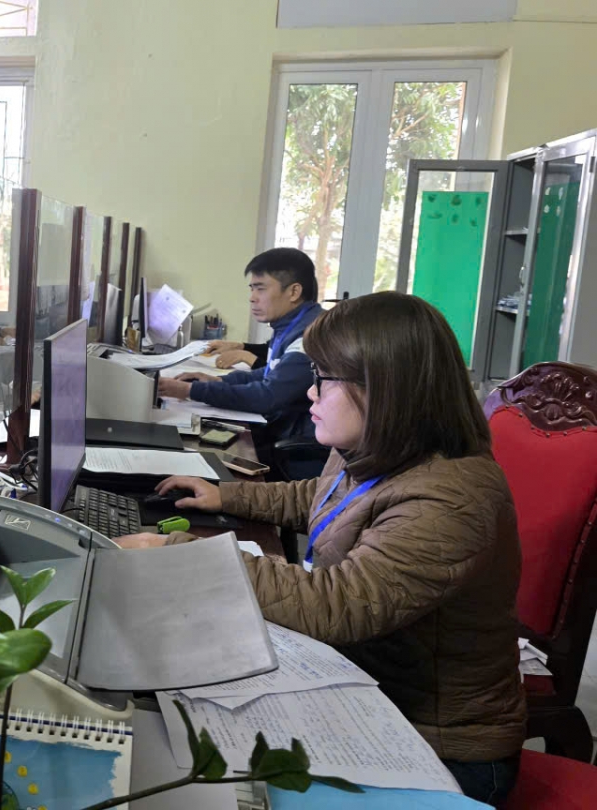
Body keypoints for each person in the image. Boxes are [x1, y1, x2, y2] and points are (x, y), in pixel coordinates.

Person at [117, 292, 526, 805]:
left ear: (385, 388)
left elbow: (337, 605)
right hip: (366, 688)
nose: (310, 393)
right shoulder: (377, 447)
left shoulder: (451, 499)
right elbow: (325, 495)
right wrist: (227, 495)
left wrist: (177, 554)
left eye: (324, 379)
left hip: (439, 745)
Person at [157, 248, 323, 441]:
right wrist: (218, 381)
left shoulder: (312, 336)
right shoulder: (291, 324)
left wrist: (189, 391)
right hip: (281, 426)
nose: (252, 297)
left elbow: (268, 395)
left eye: (260, 289)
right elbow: (268, 373)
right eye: (252, 288)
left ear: (294, 292)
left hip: (290, 438)